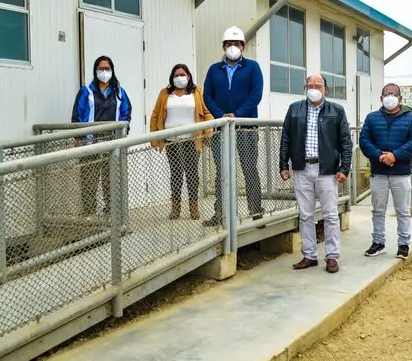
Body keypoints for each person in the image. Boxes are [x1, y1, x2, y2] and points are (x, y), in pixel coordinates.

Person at [279, 74, 352, 273]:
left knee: (330, 215)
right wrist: (283, 165)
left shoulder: (336, 110)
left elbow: (346, 141)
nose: (313, 88)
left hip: (327, 170)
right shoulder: (295, 109)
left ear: (325, 89)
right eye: (309, 85)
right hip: (302, 168)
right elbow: (286, 137)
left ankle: (332, 256)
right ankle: (309, 255)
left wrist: (344, 168)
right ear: (304, 88)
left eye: (317, 85)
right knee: (305, 215)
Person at [202, 26, 265, 227]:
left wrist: (237, 115)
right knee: (222, 171)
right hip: (222, 129)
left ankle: (256, 211)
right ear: (223, 46)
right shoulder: (214, 70)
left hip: (245, 128)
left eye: (236, 44)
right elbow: (207, 96)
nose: (232, 47)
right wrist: (222, 116)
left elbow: (256, 95)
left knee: (249, 169)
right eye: (229, 43)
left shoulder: (252, 67)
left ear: (243, 46)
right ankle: (219, 213)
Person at [359, 83, 412, 259]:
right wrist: (379, 155)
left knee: (402, 210)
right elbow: (364, 140)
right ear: (381, 98)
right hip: (378, 172)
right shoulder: (372, 118)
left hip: (401, 173)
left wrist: (395, 156)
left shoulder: (411, 118)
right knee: (377, 210)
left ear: (400, 98)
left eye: (393, 94)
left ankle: (403, 244)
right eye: (386, 94)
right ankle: (378, 242)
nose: (390, 97)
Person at [149, 64, 215, 220]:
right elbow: (155, 114)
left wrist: (208, 132)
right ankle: (175, 208)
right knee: (176, 175)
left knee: (192, 175)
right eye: (176, 75)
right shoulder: (165, 94)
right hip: (172, 141)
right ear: (172, 77)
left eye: (182, 74)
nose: (180, 77)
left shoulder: (196, 92)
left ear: (189, 76)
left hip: (192, 141)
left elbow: (206, 113)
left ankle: (194, 208)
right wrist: (154, 137)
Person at [70, 55, 132, 215]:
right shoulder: (87, 91)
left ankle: (111, 216)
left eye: (107, 68)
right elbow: (77, 115)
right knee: (89, 184)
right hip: (90, 146)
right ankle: (89, 216)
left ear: (112, 71)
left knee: (110, 183)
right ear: (95, 70)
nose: (104, 72)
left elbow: (126, 113)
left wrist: (123, 133)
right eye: (101, 68)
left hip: (112, 146)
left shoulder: (119, 92)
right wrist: (78, 138)